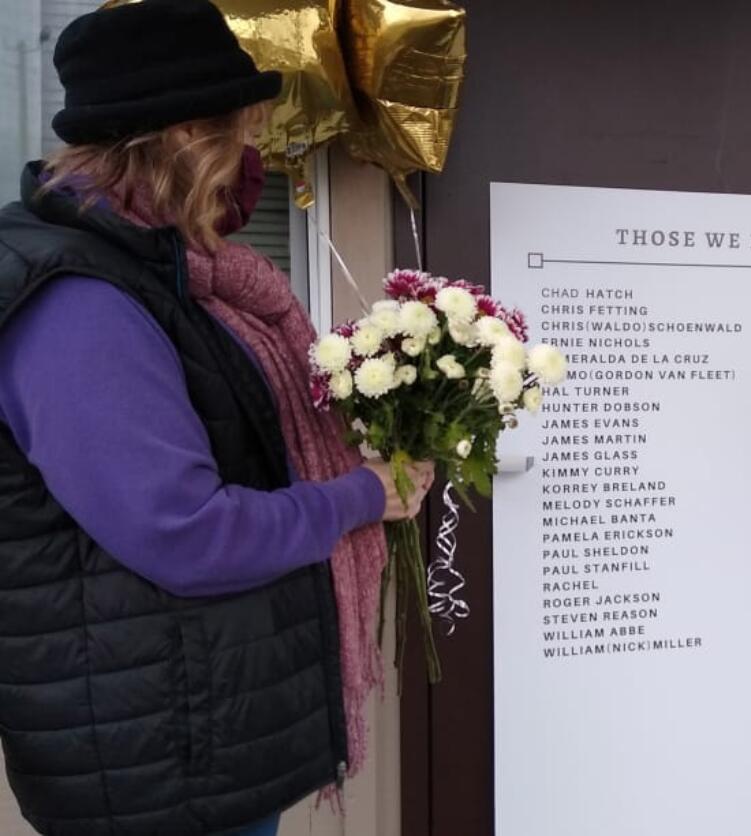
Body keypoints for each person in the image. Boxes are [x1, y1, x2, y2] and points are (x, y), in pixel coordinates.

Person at [0, 1, 433, 834]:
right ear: (189, 140)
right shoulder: (83, 307)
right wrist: (356, 496)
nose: (252, 155)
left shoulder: (164, 280)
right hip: (158, 770)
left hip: (190, 733)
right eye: (242, 133)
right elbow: (185, 532)